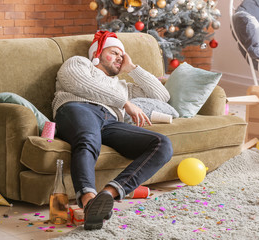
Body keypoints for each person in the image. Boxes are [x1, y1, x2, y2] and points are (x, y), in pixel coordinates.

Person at [52, 31, 173, 230]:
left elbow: (162, 96)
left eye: (122, 55)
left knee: (162, 144)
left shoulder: (123, 85)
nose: (119, 57)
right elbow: (80, 84)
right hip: (78, 108)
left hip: (110, 121)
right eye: (114, 52)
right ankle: (88, 200)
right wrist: (124, 103)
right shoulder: (80, 63)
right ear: (97, 53)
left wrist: (132, 68)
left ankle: (107, 195)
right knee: (88, 139)